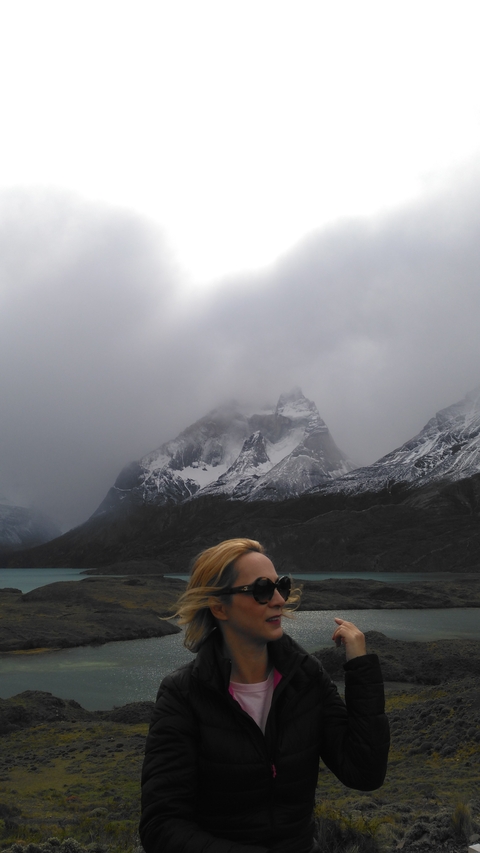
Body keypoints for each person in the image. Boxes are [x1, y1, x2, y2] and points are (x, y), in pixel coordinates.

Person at [140, 538, 389, 853]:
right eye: (261, 590)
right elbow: (160, 827)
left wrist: (360, 668)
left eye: (281, 586)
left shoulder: (306, 678)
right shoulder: (183, 695)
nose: (278, 600)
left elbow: (365, 771)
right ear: (219, 606)